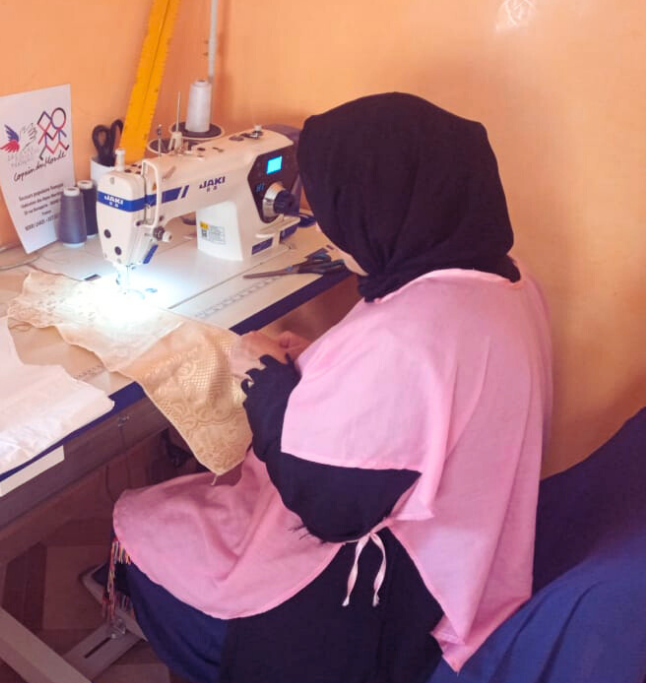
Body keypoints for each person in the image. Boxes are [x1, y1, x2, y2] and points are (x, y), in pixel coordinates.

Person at [107, 93, 553, 683]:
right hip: (468, 543)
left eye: (330, 216)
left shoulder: (407, 337)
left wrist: (262, 379)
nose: (326, 230)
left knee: (142, 518)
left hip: (378, 600)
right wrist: (315, 368)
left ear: (380, 208)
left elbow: (325, 503)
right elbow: (405, 404)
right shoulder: (501, 280)